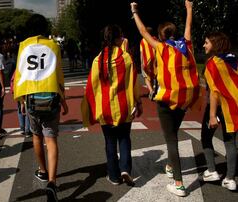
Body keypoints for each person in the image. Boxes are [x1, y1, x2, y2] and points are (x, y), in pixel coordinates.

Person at [131, 0, 200, 197]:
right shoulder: (187, 45)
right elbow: (188, 26)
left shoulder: (162, 48)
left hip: (166, 99)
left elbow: (143, 31)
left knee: (171, 140)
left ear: (161, 36)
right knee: (173, 133)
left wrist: (135, 11)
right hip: (184, 99)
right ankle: (171, 164)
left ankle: (179, 184)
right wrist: (189, 9)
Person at [13, 14, 69, 202]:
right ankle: (52, 182)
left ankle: (43, 170)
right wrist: (64, 99)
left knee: (36, 136)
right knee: (51, 139)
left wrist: (20, 101)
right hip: (51, 98)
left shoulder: (23, 46)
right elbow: (58, 74)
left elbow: (20, 74)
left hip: (31, 99)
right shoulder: (54, 46)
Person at [81, 25, 142, 187]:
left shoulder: (97, 60)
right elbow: (134, 82)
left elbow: (91, 87)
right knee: (124, 139)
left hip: (105, 109)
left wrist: (91, 109)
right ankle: (125, 169)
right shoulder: (126, 58)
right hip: (124, 107)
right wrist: (138, 101)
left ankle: (114, 176)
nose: (123, 38)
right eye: (121, 36)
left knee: (109, 142)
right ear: (116, 39)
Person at [202, 32, 237, 191]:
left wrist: (211, 114)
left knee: (206, 137)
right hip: (235, 107)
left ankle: (211, 170)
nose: (204, 45)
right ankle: (230, 178)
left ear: (215, 45)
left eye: (206, 42)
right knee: (230, 143)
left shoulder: (212, 64)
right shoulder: (233, 59)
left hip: (219, 107)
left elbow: (214, 92)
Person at [139, 27, 157, 100]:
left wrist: (141, 62)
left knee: (146, 77)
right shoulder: (155, 39)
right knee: (153, 76)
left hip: (146, 61)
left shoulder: (143, 41)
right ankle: (153, 90)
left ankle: (151, 90)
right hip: (155, 61)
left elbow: (142, 53)